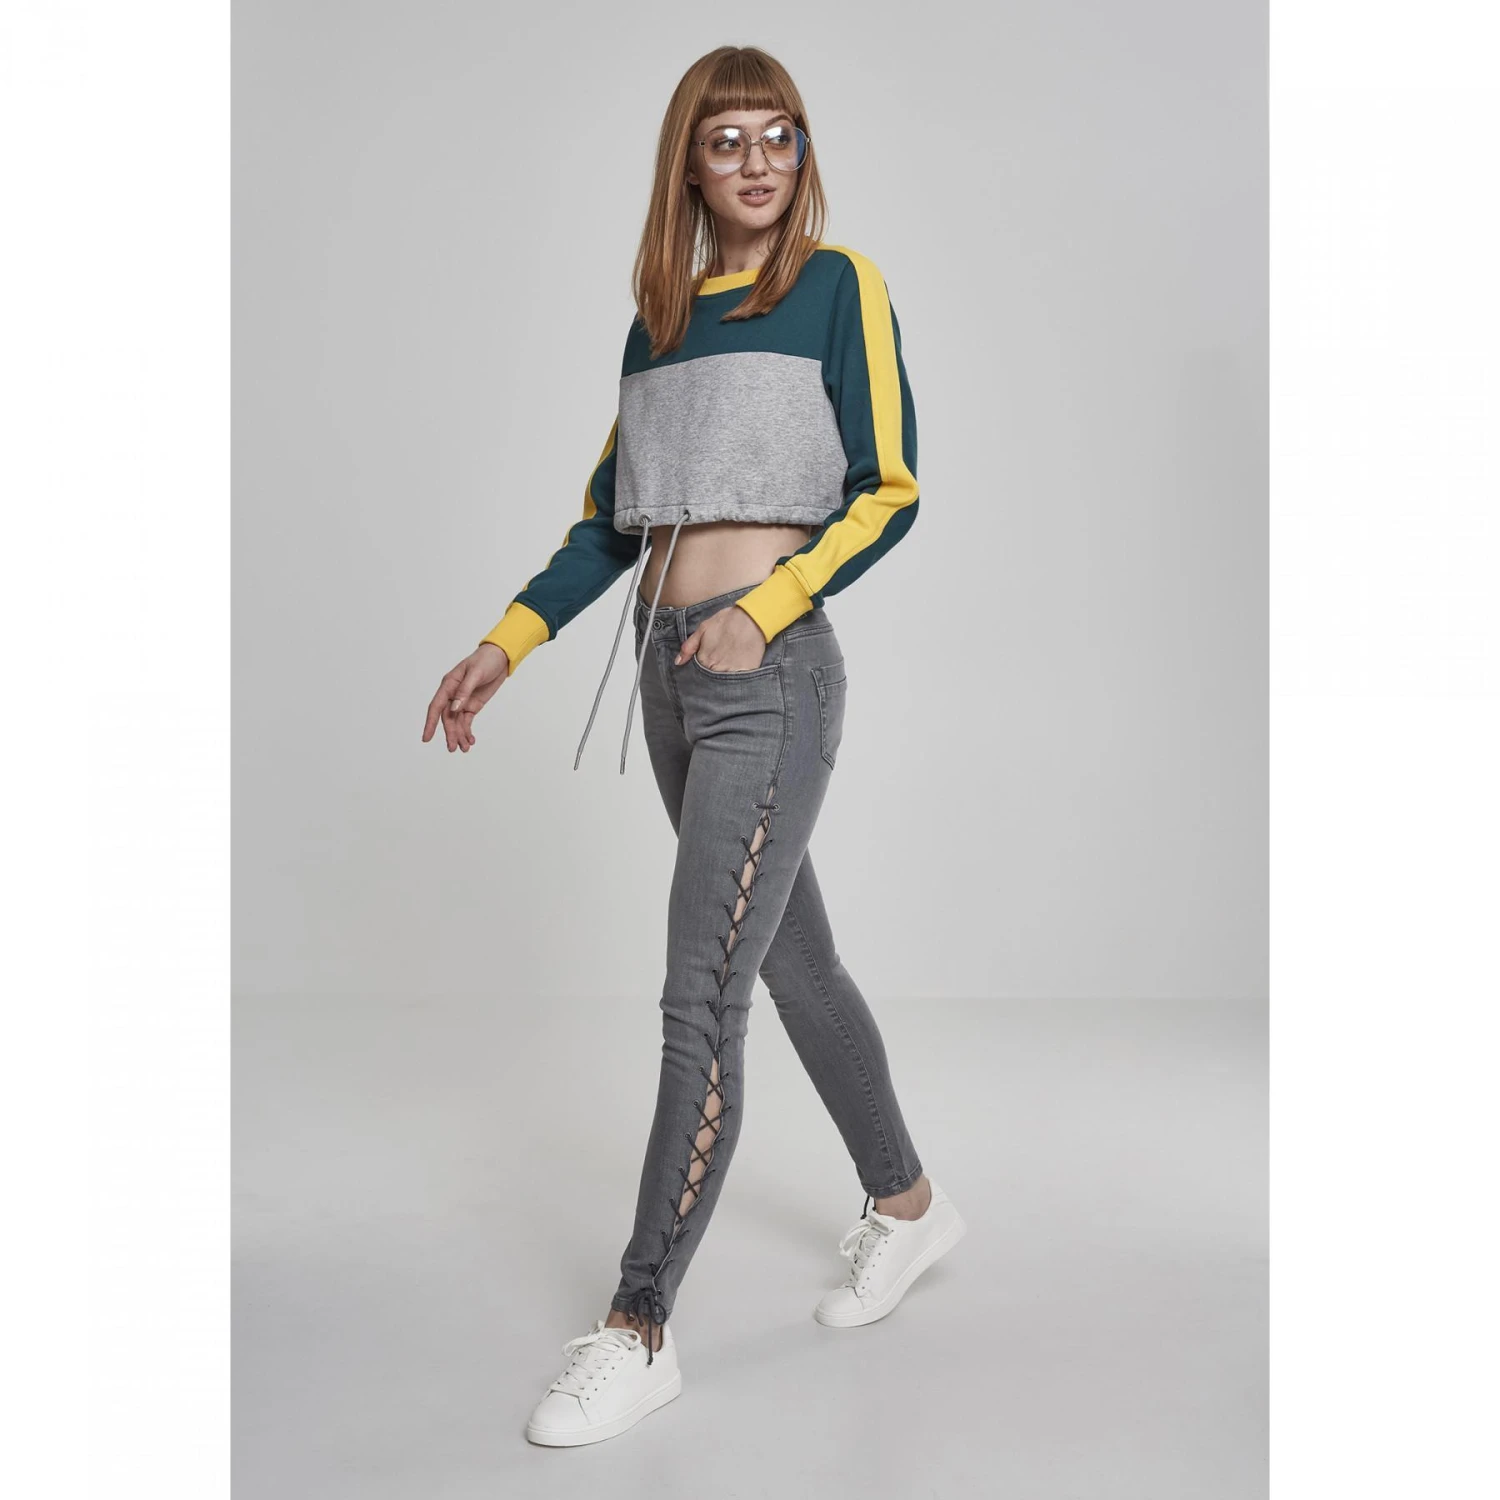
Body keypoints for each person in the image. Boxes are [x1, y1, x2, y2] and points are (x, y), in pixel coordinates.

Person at [423, 45, 965, 1447]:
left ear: (803, 152)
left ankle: (638, 1326)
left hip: (769, 677)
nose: (758, 162)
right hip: (669, 680)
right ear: (690, 164)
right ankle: (909, 1205)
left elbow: (890, 490)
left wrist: (763, 610)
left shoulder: (838, 288)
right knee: (791, 961)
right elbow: (614, 519)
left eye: (781, 135)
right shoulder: (657, 325)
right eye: (728, 140)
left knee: (699, 1000)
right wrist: (505, 643)